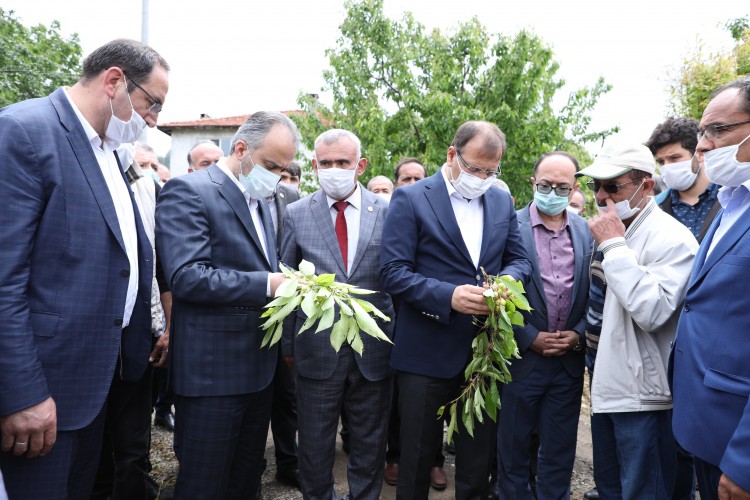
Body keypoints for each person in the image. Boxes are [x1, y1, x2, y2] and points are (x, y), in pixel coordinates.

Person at [0, 38, 168, 499]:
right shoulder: (25, 131)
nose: (152, 120)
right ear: (114, 81)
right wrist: (22, 395)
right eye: (151, 103)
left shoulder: (109, 150)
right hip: (43, 395)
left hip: (94, 387)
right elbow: (4, 281)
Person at [380, 120, 531, 499]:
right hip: (425, 353)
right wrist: (447, 296)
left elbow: (519, 260)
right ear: (452, 154)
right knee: (414, 461)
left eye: (491, 170)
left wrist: (505, 284)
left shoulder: (499, 200)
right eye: (475, 168)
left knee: (477, 464)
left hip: (484, 353)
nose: (482, 177)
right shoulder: (412, 198)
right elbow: (393, 272)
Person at [155, 111, 299, 499]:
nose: (277, 176)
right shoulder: (189, 191)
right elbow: (187, 276)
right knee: (204, 485)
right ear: (240, 149)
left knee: (245, 481)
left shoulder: (261, 201)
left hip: (258, 372)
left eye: (284, 169)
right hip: (212, 375)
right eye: (271, 165)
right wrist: (269, 284)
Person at [577, 143, 698, 499]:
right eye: (595, 186)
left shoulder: (671, 238)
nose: (600, 196)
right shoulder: (615, 230)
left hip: (645, 398)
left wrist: (614, 248)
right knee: (613, 490)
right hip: (609, 387)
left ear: (646, 186)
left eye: (613, 187)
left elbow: (652, 311)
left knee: (646, 491)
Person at [280, 128, 394, 500]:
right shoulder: (296, 213)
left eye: (342, 162)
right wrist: (286, 346)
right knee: (314, 444)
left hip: (374, 351)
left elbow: (397, 279)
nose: (334, 169)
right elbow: (285, 282)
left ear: (359, 165)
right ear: (314, 165)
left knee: (369, 441)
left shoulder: (388, 213)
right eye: (325, 163)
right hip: (314, 349)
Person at [671, 76, 750, 500]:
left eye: (717, 130)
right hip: (706, 420)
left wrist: (745, 461)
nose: (702, 146)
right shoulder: (732, 203)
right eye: (703, 132)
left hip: (738, 437)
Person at [497, 151, 592, 500]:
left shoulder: (586, 232)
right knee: (513, 451)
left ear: (574, 188)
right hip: (522, 360)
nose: (553, 192)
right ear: (533, 183)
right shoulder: (509, 226)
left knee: (559, 453)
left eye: (562, 187)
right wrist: (528, 336)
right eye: (546, 185)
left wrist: (578, 334)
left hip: (567, 363)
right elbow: (494, 289)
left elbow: (597, 291)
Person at [92, 142, 172, 500]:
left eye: (153, 164)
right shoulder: (91, 180)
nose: (148, 169)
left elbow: (157, 266)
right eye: (143, 163)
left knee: (132, 445)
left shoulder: (148, 188)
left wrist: (163, 326)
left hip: (137, 337)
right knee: (93, 448)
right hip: (90, 338)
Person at [646, 116, 721, 243]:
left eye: (675, 158)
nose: (667, 166)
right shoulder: (655, 207)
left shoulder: (731, 196)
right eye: (661, 161)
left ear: (699, 154)